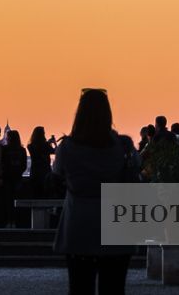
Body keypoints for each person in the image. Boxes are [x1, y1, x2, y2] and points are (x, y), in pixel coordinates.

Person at [53, 89, 138, 295]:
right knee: (115, 288)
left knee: (80, 288)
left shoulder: (67, 148)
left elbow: (57, 174)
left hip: (79, 225)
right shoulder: (123, 146)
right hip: (117, 226)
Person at [2, 129, 28, 227]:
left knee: (8, 201)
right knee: (17, 201)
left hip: (7, 178)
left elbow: (1, 163)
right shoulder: (22, 150)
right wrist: (18, 173)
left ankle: (9, 221)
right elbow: (24, 165)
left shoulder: (4, 149)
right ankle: (16, 222)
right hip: (18, 178)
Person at [28, 126, 57, 198]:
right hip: (46, 171)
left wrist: (47, 143)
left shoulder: (30, 146)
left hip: (35, 172)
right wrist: (54, 143)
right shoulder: (46, 145)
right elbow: (55, 151)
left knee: (36, 194)